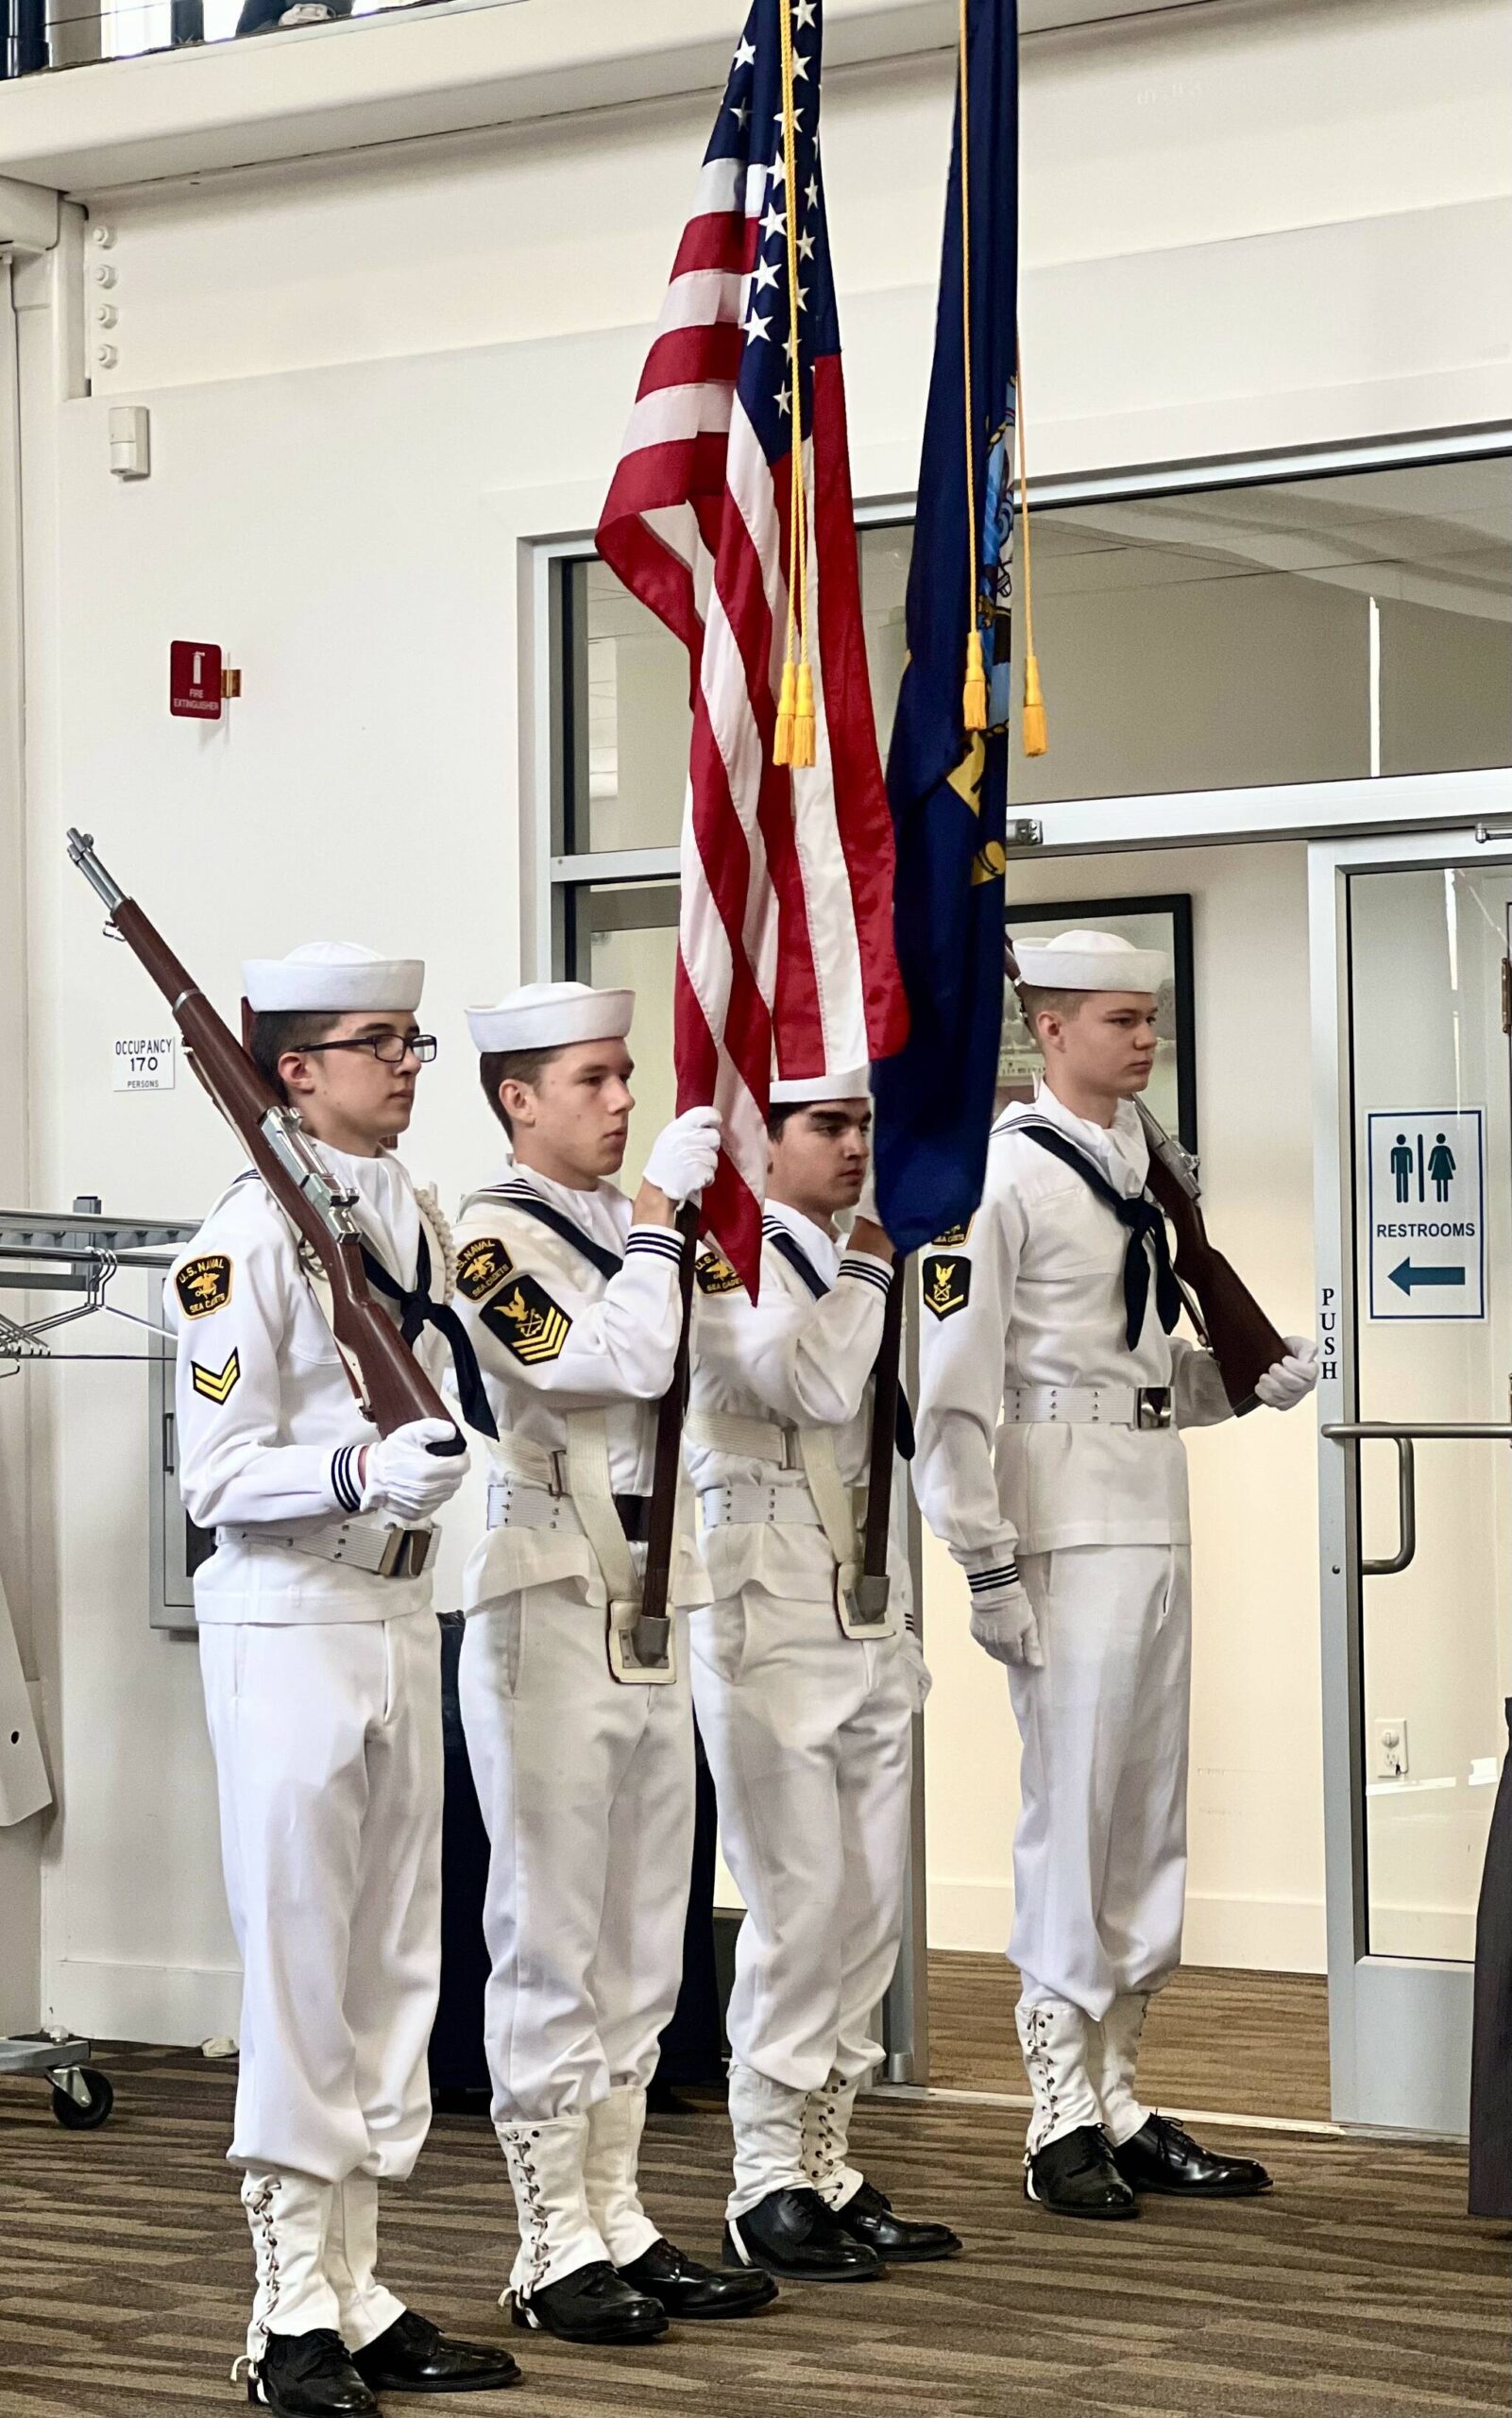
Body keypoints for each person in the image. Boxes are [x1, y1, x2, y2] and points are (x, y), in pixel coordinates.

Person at [912, 930, 1318, 2221]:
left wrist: (1243, 1378)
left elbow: (1132, 1377)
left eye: (1149, 1020)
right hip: (1057, 1526)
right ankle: (1053, 2112)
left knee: (1146, 1809)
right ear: (1046, 1029)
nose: (1143, 1042)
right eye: (1117, 1021)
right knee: (1073, 1808)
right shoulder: (1000, 1176)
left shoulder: (1146, 1171)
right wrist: (980, 1558)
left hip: (1147, 1504)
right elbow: (955, 1388)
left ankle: (1121, 2089)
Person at [169, 942, 518, 2416]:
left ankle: (361, 2290)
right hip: (288, 1616)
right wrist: (359, 1465)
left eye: (415, 1042)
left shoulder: (411, 1220)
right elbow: (215, 1478)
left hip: (394, 1612)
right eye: (380, 1043)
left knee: (393, 1973)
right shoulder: (236, 1241)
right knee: (306, 1968)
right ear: (292, 1073)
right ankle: (285, 2312)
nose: (409, 1066)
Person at [453, 981, 776, 2343]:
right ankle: (546, 2244)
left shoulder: (644, 1235)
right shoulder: (484, 1240)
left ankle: (618, 2214)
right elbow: (608, 1365)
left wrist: (694, 1234)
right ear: (519, 1099)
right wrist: (660, 1223)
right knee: (551, 1935)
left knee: (647, 1935)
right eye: (591, 1078)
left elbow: (745, 1359)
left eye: (628, 1074)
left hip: (660, 1589)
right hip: (547, 1590)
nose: (623, 1097)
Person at [686, 1072, 962, 2282]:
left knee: (867, 1907)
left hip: (868, 1595)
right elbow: (804, 1382)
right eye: (827, 1127)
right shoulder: (723, 1256)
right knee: (797, 1903)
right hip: (766, 1605)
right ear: (765, 1139)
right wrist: (867, 1255)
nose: (856, 1147)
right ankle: (764, 2180)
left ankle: (828, 2159)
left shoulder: (869, 1260)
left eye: (862, 1125)